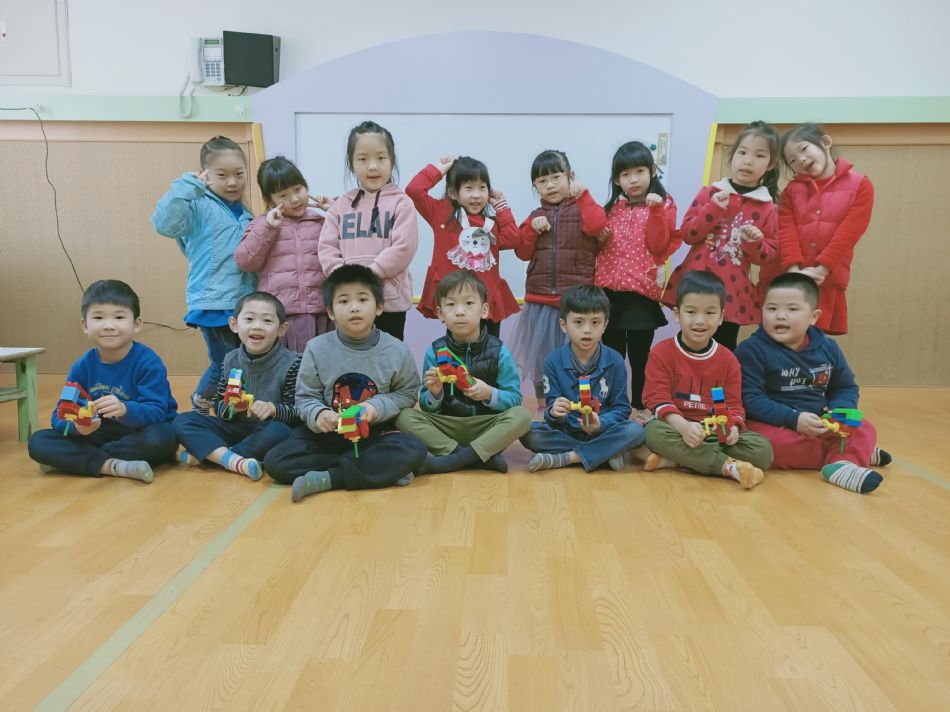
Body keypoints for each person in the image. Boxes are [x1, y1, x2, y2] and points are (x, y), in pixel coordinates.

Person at [263, 264, 428, 502]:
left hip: (374, 434)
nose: (354, 307)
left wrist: (375, 407)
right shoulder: (316, 348)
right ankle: (375, 470)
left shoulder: (397, 350)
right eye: (343, 301)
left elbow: (408, 393)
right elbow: (305, 397)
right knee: (276, 461)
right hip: (329, 435)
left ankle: (331, 477)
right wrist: (318, 414)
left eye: (363, 299)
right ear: (330, 311)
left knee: (414, 449)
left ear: (379, 307)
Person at [736, 273, 890, 494]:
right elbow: (751, 399)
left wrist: (838, 412)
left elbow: (845, 387)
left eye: (792, 309)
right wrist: (794, 418)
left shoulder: (828, 348)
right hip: (774, 424)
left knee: (863, 426)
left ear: (813, 317)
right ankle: (849, 453)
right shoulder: (751, 350)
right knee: (764, 447)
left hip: (819, 422)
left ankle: (844, 460)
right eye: (771, 309)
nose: (780, 316)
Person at [28, 280, 178, 482]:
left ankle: (85, 460)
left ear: (136, 324)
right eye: (98, 317)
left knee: (164, 437)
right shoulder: (82, 366)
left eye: (119, 317)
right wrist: (77, 428)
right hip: (99, 432)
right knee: (38, 441)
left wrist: (125, 409)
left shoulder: (148, 362)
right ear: (85, 325)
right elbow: (59, 415)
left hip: (140, 431)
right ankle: (113, 466)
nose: (108, 326)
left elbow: (157, 412)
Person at [152, 135, 255, 412]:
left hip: (243, 302)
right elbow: (163, 224)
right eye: (222, 175)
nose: (232, 182)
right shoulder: (196, 205)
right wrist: (188, 186)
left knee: (242, 363)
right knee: (225, 364)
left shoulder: (246, 214)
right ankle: (201, 402)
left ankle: (231, 411)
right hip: (213, 302)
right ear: (205, 174)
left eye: (239, 174)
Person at [643, 271, 773, 489]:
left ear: (721, 317)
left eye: (710, 313)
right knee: (651, 433)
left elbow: (734, 405)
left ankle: (679, 459)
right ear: (677, 314)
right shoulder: (661, 352)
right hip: (676, 427)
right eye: (691, 312)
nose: (700, 321)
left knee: (762, 450)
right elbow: (656, 399)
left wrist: (733, 428)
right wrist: (684, 427)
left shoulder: (728, 359)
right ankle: (729, 467)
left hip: (714, 432)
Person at [396, 270, 532, 474]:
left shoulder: (499, 351)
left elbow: (514, 399)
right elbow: (426, 407)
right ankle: (473, 457)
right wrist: (435, 394)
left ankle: (454, 460)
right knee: (404, 416)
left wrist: (489, 393)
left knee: (522, 416)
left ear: (484, 310)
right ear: (440, 313)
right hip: (447, 426)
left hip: (487, 426)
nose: (460, 312)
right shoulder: (435, 351)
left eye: (469, 303)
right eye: (451, 305)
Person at [663, 121, 780, 351]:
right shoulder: (710, 193)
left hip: (731, 295)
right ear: (732, 155)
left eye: (759, 155)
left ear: (771, 164)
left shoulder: (768, 207)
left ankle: (721, 378)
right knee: (689, 344)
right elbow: (688, 234)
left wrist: (754, 242)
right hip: (696, 284)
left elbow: (768, 256)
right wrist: (713, 209)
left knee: (724, 349)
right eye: (742, 152)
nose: (748, 161)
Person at [510, 150, 608, 407]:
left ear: (570, 176)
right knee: (542, 359)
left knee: (579, 356)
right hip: (540, 302)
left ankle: (580, 405)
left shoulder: (583, 208)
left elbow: (597, 226)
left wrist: (584, 196)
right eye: (542, 181)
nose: (550, 185)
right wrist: (532, 230)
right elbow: (522, 252)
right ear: (535, 186)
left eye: (556, 177)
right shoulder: (534, 216)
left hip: (575, 302)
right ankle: (545, 406)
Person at [174, 292, 301, 480]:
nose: (257, 326)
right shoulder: (230, 360)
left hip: (266, 430)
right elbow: (218, 405)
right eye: (249, 319)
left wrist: (273, 409)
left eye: (267, 321)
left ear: (281, 329)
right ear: (234, 324)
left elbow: (298, 412)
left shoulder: (292, 364)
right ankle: (235, 460)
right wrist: (230, 407)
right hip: (234, 428)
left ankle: (216, 456)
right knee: (183, 421)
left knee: (280, 431)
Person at [594, 140, 680, 417]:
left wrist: (656, 212)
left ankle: (641, 407)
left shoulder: (664, 204)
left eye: (639, 171)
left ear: (652, 171)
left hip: (641, 295)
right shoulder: (612, 208)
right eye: (625, 174)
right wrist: (599, 239)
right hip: (609, 294)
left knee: (640, 357)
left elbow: (658, 245)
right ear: (616, 180)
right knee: (612, 356)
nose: (633, 180)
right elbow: (597, 248)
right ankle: (613, 406)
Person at [519, 285, 645, 472]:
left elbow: (622, 409)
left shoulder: (615, 360)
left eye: (595, 322)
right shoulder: (552, 361)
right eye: (578, 322)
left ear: (605, 325)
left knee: (636, 431)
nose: (587, 330)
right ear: (564, 325)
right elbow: (551, 410)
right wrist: (554, 412)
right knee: (530, 434)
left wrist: (599, 424)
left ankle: (567, 458)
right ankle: (606, 452)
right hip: (568, 431)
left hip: (603, 429)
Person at [317, 121, 418, 341]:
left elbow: (404, 248)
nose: (373, 166)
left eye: (381, 158)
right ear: (351, 163)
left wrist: (370, 275)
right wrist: (346, 278)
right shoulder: (341, 205)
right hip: (349, 302)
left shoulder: (402, 203)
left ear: (392, 161)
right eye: (362, 159)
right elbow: (327, 248)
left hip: (389, 303)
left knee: (388, 356)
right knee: (350, 356)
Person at [407, 155, 521, 336]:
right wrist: (438, 169)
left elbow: (514, 240)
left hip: (486, 303)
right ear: (453, 193)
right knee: (456, 349)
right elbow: (414, 190)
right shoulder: (442, 215)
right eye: (469, 188)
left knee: (491, 350)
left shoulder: (492, 224)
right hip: (457, 304)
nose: (476, 195)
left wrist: (502, 207)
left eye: (482, 188)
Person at [778, 123, 874, 335]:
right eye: (792, 160)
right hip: (793, 280)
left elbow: (849, 234)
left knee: (814, 341)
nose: (800, 159)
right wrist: (793, 272)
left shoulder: (861, 184)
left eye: (804, 149)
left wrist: (821, 270)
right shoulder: (791, 192)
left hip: (829, 278)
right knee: (785, 339)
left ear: (825, 142)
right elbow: (786, 232)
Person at [235, 156, 332, 353]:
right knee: (287, 367)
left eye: (298, 189)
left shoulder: (322, 223)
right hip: (281, 315)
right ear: (270, 200)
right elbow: (245, 262)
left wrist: (336, 213)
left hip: (320, 311)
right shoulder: (261, 225)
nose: (294, 199)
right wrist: (268, 227)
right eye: (283, 195)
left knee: (320, 364)